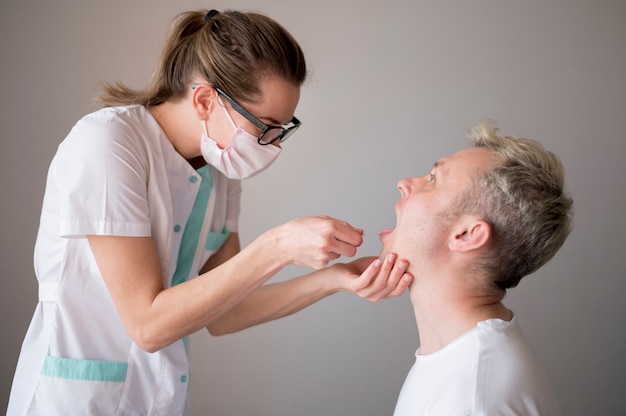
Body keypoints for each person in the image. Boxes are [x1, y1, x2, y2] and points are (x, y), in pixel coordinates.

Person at [7, 9, 413, 416]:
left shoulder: (218, 168)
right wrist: (278, 245)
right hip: (77, 403)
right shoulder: (108, 145)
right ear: (204, 100)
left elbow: (227, 312)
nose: (273, 145)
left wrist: (332, 280)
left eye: (282, 130)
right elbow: (148, 325)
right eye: (265, 126)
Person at [379, 120, 573, 415]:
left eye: (433, 179)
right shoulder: (462, 364)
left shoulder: (469, 399)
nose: (405, 183)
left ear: (467, 235)